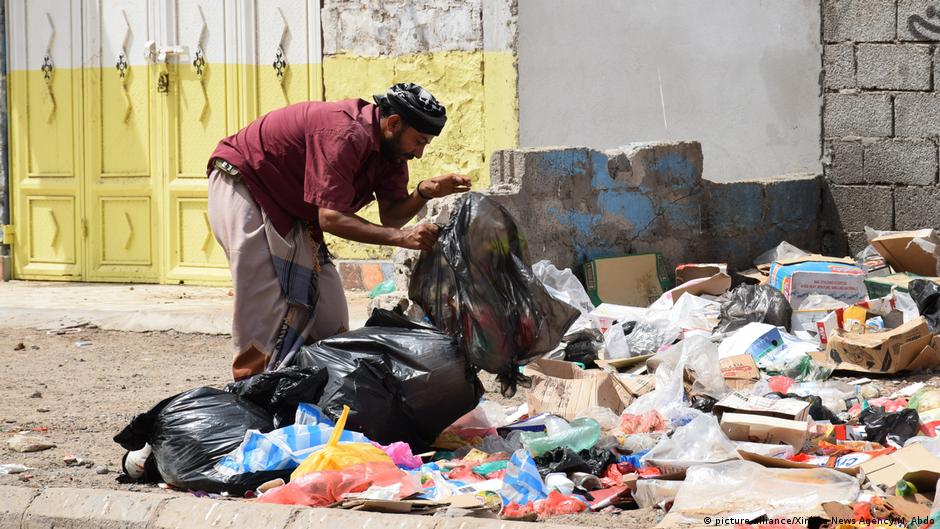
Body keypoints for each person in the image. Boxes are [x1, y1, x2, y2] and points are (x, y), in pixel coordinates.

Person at [206, 83, 471, 380]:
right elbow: (331, 219)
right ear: (393, 123)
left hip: (293, 207)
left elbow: (392, 216)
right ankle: (251, 385)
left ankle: (314, 383)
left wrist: (424, 192)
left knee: (328, 305)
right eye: (418, 141)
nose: (420, 153)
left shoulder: (393, 153)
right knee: (261, 293)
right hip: (244, 181)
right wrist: (402, 238)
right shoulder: (344, 133)